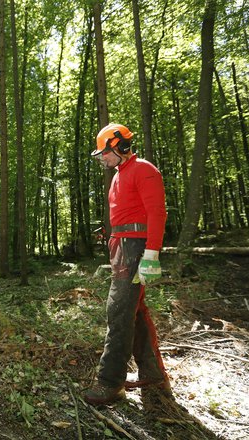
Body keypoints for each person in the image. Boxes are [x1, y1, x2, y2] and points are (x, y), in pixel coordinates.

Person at [84, 123, 171, 405]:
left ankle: (110, 383)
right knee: (135, 311)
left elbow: (157, 212)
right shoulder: (119, 176)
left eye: (105, 153)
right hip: (121, 246)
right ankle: (154, 373)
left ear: (120, 147)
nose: (102, 159)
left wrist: (152, 253)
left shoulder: (144, 169)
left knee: (119, 312)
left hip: (135, 249)